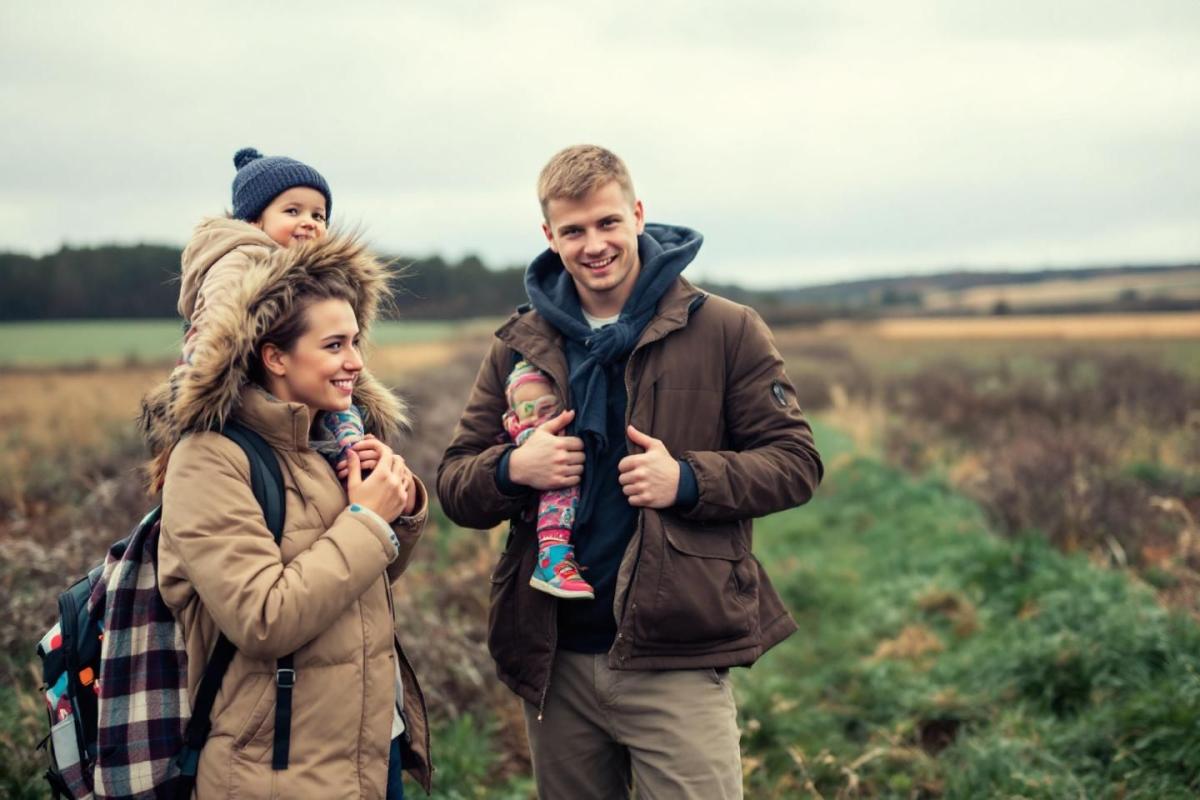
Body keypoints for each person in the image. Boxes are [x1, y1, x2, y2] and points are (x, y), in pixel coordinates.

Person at [437, 144, 823, 798]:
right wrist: (513, 469)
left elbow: (796, 463)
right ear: (549, 237)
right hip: (555, 659)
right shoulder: (519, 345)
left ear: (638, 213)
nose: (595, 244)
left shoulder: (727, 330)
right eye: (574, 230)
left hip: (677, 654)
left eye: (608, 222)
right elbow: (454, 484)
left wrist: (689, 480)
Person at [144, 234, 432, 798]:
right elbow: (264, 617)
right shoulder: (208, 460)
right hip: (272, 770)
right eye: (333, 346)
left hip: (365, 752)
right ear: (275, 356)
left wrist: (398, 508)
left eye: (355, 341)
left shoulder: (325, 442)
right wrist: (368, 522)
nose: (355, 362)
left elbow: (359, 583)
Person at [141, 147, 381, 489]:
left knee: (345, 409)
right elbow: (221, 316)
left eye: (319, 215)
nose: (308, 223)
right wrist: (208, 369)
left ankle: (348, 455)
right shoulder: (239, 255)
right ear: (254, 220)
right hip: (230, 367)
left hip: (283, 387)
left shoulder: (310, 277)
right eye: (293, 211)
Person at [502, 360, 593, 598]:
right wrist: (513, 465)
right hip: (541, 511)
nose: (535, 418)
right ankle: (552, 561)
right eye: (526, 410)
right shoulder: (521, 435)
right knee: (558, 500)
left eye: (545, 407)